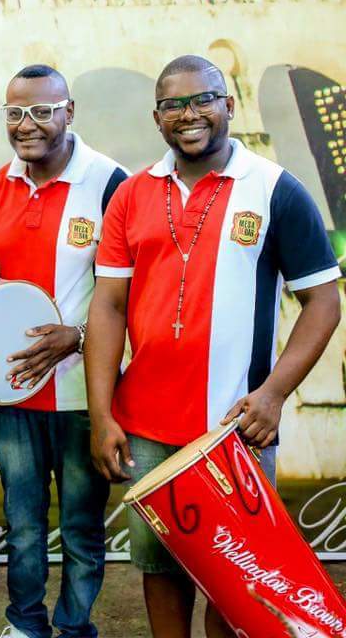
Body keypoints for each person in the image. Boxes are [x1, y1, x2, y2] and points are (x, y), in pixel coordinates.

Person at [86, 55, 342, 638]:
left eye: (203, 99)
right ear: (157, 118)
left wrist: (274, 394)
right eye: (173, 104)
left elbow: (324, 303)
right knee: (159, 567)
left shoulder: (276, 189)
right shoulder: (131, 194)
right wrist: (102, 415)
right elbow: (108, 307)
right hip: (147, 422)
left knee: (236, 574)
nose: (189, 114)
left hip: (237, 424)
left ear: (228, 104)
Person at [0, 64, 128, 638]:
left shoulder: (111, 183)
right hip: (13, 393)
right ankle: (25, 622)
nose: (28, 124)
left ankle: (74, 626)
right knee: (21, 525)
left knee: (83, 525)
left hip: (83, 395)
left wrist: (80, 336)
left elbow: (129, 298)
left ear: (71, 111)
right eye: (15, 112)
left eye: (42, 111)